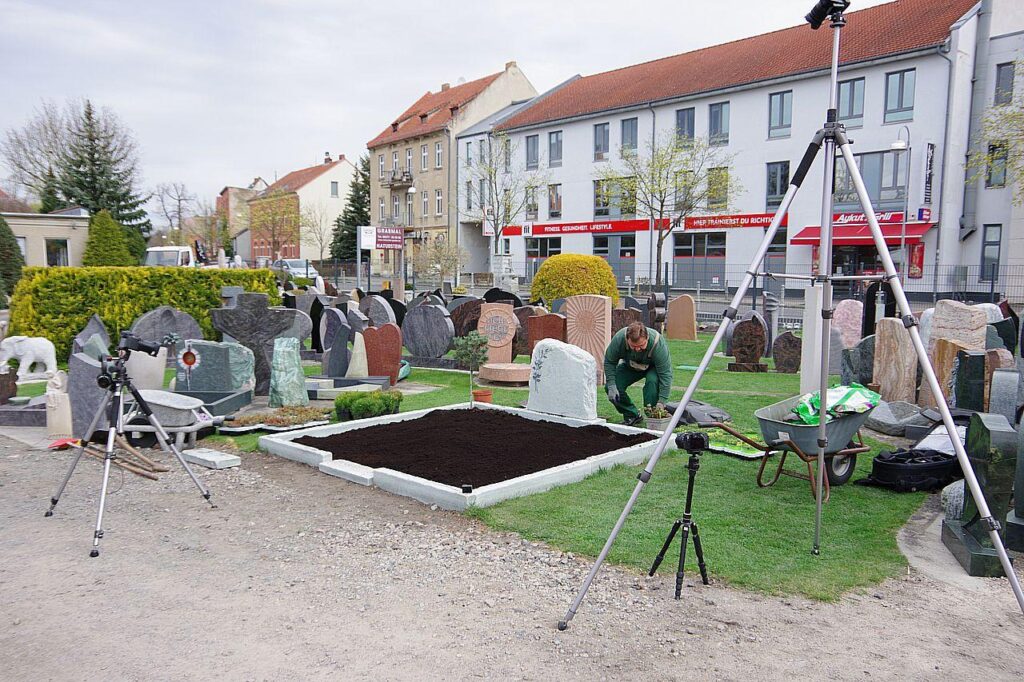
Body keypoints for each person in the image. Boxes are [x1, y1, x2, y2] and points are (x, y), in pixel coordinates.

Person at [603, 321, 673, 425]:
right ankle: (632, 415)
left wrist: (662, 401)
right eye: (633, 346)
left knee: (652, 382)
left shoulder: (658, 344)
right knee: (611, 387)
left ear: (647, 338)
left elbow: (665, 374)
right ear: (627, 339)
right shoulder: (619, 339)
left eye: (641, 345)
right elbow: (609, 362)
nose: (637, 349)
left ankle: (653, 417)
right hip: (631, 365)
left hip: (653, 367)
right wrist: (612, 385)